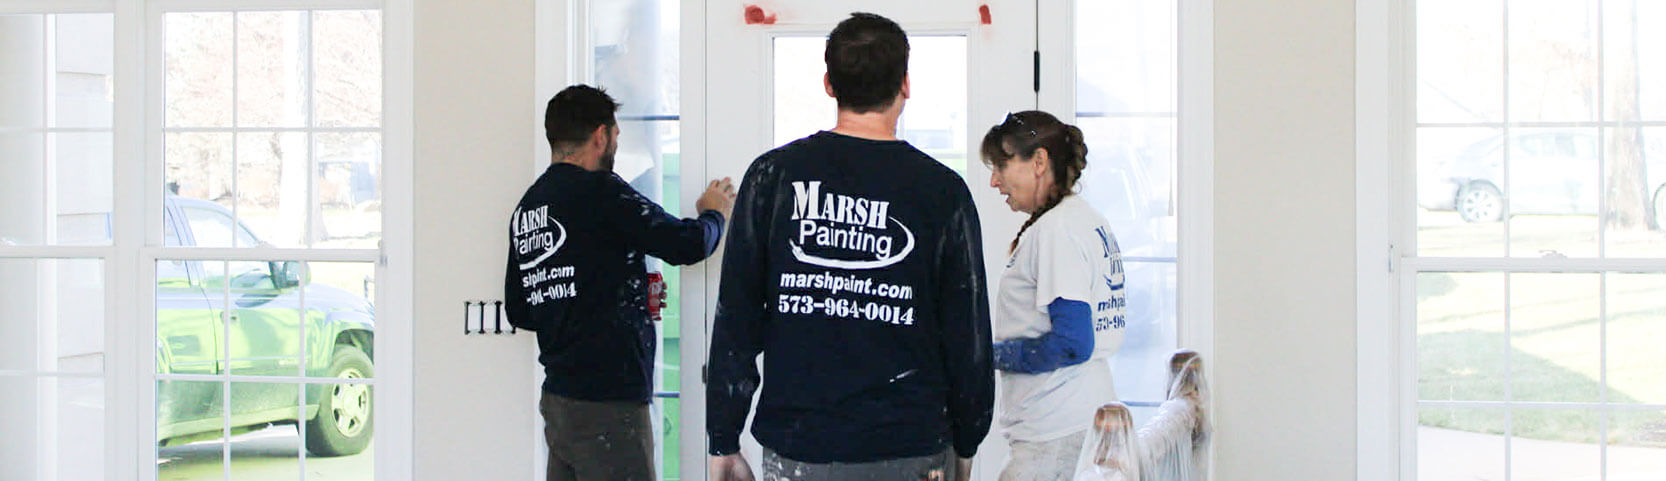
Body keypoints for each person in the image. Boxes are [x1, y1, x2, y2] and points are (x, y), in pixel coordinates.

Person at [705, 12, 994, 481]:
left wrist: (723, 438)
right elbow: (968, 335)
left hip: (801, 446)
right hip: (910, 445)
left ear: (828, 84)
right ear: (905, 84)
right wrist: (967, 443)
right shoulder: (941, 191)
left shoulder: (773, 178)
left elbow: (736, 319)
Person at [504, 84, 736, 481]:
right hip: (608, 405)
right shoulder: (601, 192)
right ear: (600, 135)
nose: (614, 144)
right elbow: (687, 244)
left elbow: (522, 310)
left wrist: (614, 291)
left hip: (560, 402)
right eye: (615, 136)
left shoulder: (530, 207)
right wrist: (714, 214)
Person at [980, 110, 1128, 481]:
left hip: (1056, 431)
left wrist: (986, 355)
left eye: (1001, 165)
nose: (995, 181)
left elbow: (1073, 342)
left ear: (1039, 161)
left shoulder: (1056, 230)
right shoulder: (1085, 219)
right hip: (1080, 416)